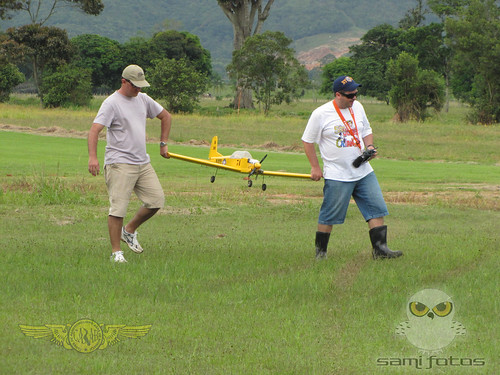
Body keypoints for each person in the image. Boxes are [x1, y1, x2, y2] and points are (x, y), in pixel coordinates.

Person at [302, 75, 402, 260]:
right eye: (350, 95)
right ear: (338, 95)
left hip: (363, 171)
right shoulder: (321, 114)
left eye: (356, 93)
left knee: (376, 208)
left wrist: (370, 147)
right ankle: (321, 253)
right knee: (329, 215)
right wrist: (315, 168)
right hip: (337, 174)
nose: (354, 98)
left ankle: (380, 250)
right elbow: (307, 141)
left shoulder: (358, 107)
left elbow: (366, 130)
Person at [88, 64, 172, 263]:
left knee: (156, 200)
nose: (138, 90)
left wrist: (163, 144)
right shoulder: (111, 103)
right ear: (124, 82)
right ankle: (116, 253)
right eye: (135, 86)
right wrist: (93, 157)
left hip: (142, 163)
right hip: (119, 163)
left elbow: (165, 116)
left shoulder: (142, 99)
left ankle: (129, 230)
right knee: (118, 209)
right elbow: (94, 130)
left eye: (141, 86)